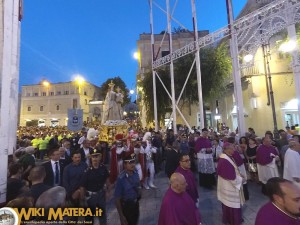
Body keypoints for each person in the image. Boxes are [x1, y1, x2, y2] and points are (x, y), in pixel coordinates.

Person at [79, 149, 111, 225]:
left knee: (102, 216)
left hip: (101, 195)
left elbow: (107, 179)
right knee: (89, 218)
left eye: (97, 156)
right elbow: (82, 186)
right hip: (90, 197)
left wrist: (108, 191)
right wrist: (82, 200)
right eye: (93, 157)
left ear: (100, 158)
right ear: (91, 158)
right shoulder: (87, 171)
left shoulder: (103, 168)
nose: (95, 158)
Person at [217, 142, 245, 225]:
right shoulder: (225, 160)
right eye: (233, 148)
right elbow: (231, 177)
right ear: (227, 150)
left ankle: (228, 218)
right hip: (229, 186)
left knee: (227, 203)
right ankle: (234, 220)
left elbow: (233, 170)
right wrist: (241, 179)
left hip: (226, 184)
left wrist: (239, 174)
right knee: (232, 204)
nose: (234, 150)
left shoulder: (227, 157)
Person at [114, 153, 141, 225]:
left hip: (135, 205)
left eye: (133, 162)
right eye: (130, 163)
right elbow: (117, 198)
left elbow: (138, 185)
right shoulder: (121, 178)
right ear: (125, 165)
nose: (132, 164)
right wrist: (121, 216)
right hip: (126, 207)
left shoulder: (136, 173)